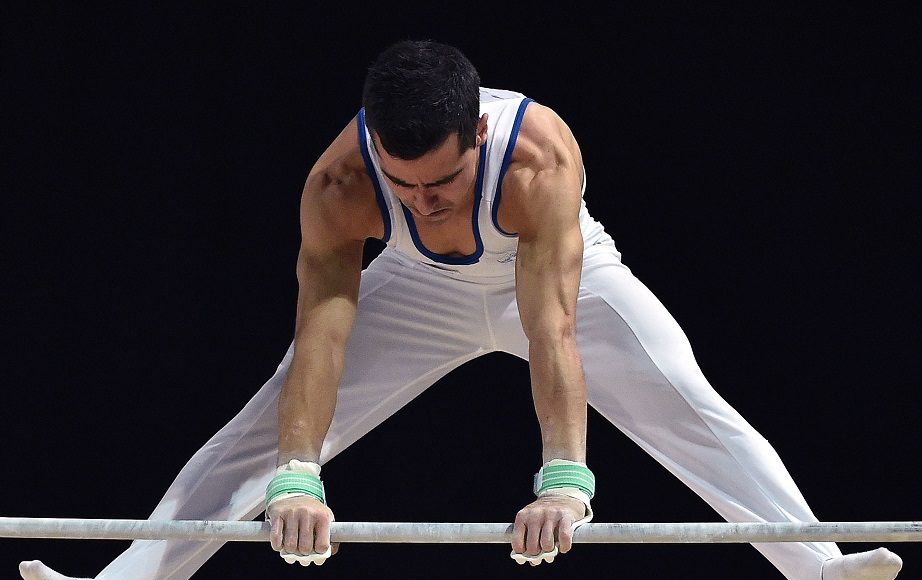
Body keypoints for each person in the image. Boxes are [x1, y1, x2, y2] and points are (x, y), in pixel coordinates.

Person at [19, 40, 903, 580]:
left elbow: (552, 327)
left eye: (441, 182)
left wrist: (565, 482)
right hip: (416, 291)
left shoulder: (536, 160)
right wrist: (298, 478)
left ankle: (819, 567)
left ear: (477, 132)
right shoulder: (339, 183)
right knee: (257, 436)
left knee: (686, 402)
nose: (425, 202)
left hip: (560, 278)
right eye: (403, 186)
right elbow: (319, 337)